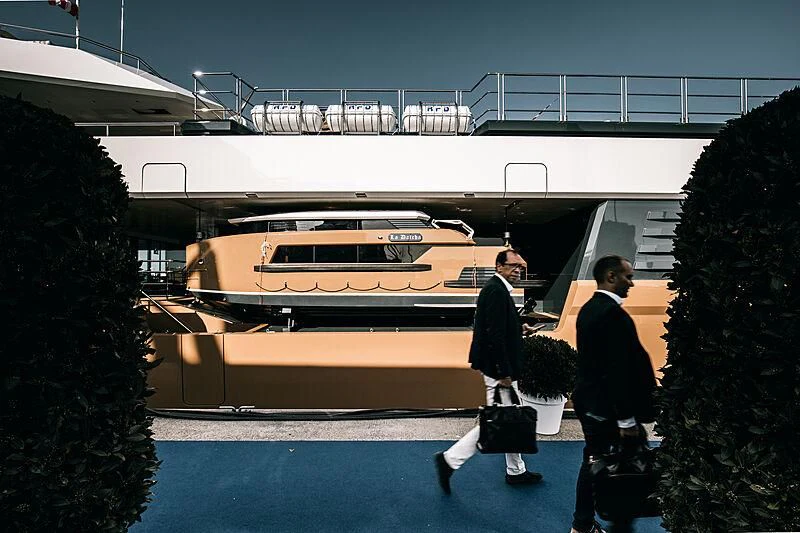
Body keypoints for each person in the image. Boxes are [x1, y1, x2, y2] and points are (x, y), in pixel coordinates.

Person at [434, 248, 542, 494]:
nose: (517, 271)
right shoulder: (495, 291)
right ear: (499, 267)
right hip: (497, 371)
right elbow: (494, 335)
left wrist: (520, 328)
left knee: (508, 418)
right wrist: (503, 372)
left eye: (520, 268)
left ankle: (516, 470)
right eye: (513, 266)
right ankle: (450, 459)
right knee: (498, 421)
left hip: (497, 368)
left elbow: (500, 327)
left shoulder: (498, 289)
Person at [569, 255, 657, 533]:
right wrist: (626, 420)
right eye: (627, 276)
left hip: (592, 403)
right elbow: (616, 371)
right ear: (610, 276)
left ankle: (582, 525)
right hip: (608, 409)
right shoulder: (612, 315)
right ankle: (615, 523)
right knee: (626, 467)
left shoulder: (589, 309)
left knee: (594, 460)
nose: (631, 283)